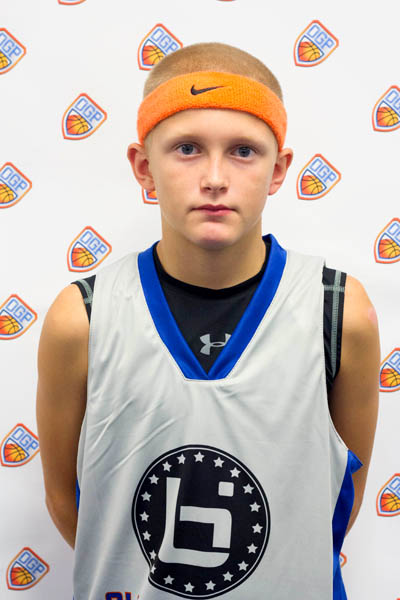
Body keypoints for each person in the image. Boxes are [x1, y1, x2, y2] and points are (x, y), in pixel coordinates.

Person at [36, 42, 380, 600]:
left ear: (278, 169)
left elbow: (338, 497)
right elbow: (65, 498)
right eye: (187, 148)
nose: (215, 177)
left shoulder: (338, 310)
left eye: (244, 151)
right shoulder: (83, 317)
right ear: (144, 167)